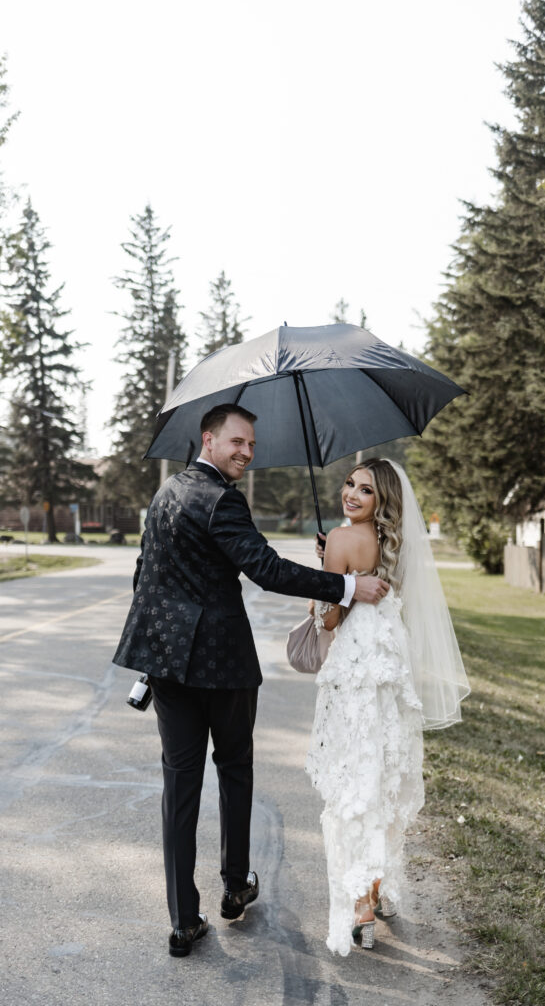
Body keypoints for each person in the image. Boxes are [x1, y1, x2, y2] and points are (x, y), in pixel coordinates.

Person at [113, 404, 389, 957]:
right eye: (237, 442)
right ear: (208, 440)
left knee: (179, 783)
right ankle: (236, 885)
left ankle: (182, 920)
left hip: (167, 663)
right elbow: (265, 568)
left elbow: (144, 571)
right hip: (222, 663)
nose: (246, 452)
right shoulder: (221, 499)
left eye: (252, 445)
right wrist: (346, 588)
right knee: (234, 768)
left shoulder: (166, 494)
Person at [305, 458, 470, 955]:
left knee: (356, 782)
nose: (351, 494)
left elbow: (330, 620)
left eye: (366, 491)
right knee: (383, 778)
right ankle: (374, 895)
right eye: (349, 484)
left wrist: (326, 576)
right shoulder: (397, 545)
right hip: (391, 670)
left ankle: (360, 906)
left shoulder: (339, 539)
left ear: (382, 500)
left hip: (357, 672)